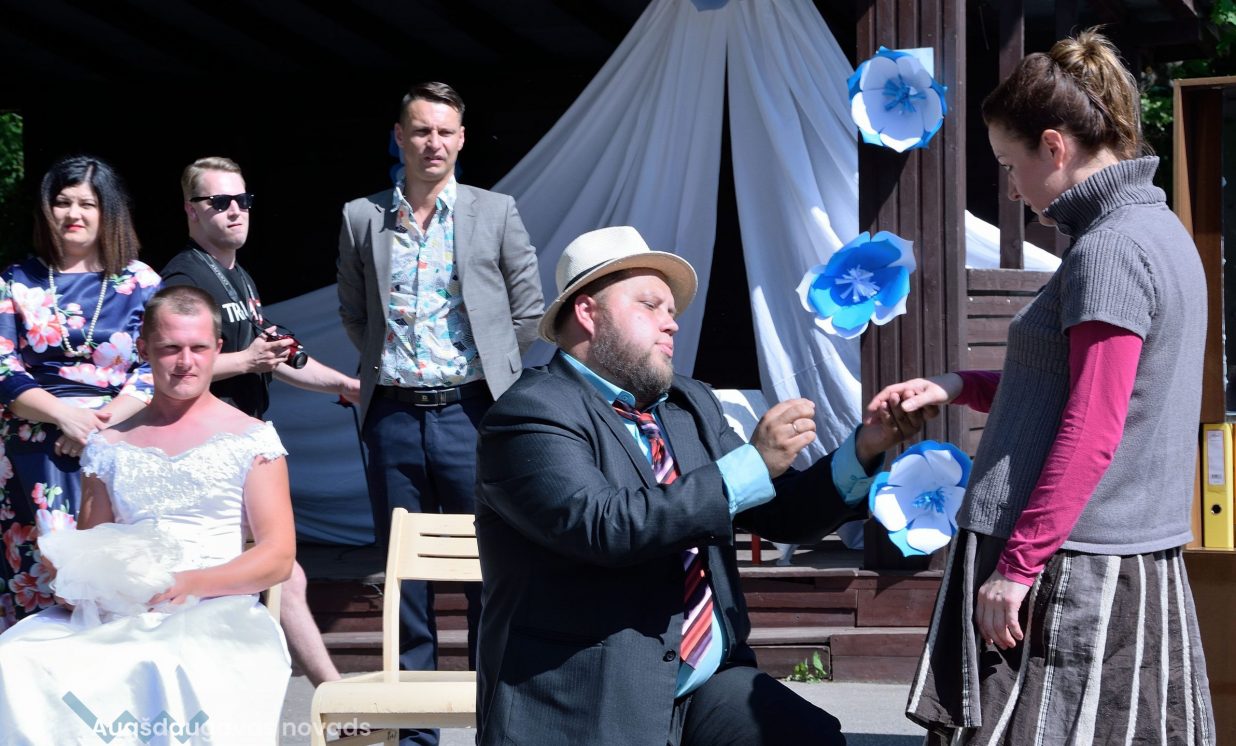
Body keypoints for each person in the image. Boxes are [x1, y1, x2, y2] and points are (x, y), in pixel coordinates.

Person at [869, 30, 1215, 744]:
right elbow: (1081, 386)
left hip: (1077, 564)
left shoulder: (1110, 250)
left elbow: (1094, 425)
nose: (1011, 188)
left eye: (1009, 164)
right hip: (1115, 555)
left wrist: (1018, 566)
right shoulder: (1155, 229)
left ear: (1054, 147)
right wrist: (958, 385)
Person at [473, 226, 930, 746]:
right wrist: (752, 463)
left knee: (808, 739)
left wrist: (865, 447)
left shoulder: (689, 405)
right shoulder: (529, 413)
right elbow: (604, 528)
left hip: (703, 683)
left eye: (672, 311)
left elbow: (782, 513)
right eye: (650, 306)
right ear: (588, 313)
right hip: (586, 695)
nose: (671, 323)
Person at [336, 80, 543, 737]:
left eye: (445, 131)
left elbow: (529, 310)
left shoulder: (495, 211)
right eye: (422, 130)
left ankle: (494, 725)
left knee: (487, 570)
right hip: (393, 415)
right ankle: (416, 733)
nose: (434, 143)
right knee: (405, 577)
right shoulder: (362, 217)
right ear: (399, 137)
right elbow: (354, 314)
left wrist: (491, 371)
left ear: (461, 138)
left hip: (473, 412)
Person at [0, 285, 295, 743]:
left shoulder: (251, 438)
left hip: (213, 605)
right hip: (123, 608)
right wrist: (80, 581)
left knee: (164, 661)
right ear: (143, 351)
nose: (185, 362)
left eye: (199, 348)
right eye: (170, 348)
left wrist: (185, 584)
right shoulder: (109, 445)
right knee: (15, 656)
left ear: (218, 349)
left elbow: (277, 556)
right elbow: (93, 544)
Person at [160, 156, 359, 687]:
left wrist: (346, 385)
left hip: (238, 448)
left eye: (243, 201)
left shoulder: (237, 277)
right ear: (191, 211)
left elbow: (277, 357)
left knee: (277, 575)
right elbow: (172, 367)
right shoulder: (185, 278)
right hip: (204, 453)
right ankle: (335, 702)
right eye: (219, 202)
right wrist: (247, 361)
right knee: (277, 574)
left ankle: (323, 700)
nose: (235, 211)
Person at [0, 156, 160, 630]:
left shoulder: (141, 282)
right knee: (38, 580)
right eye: (62, 202)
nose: (74, 213)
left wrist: (97, 425)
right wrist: (63, 416)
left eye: (87, 204)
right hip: (33, 448)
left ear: (108, 211)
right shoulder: (16, 280)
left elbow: (154, 370)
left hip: (116, 442)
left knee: (112, 582)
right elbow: (3, 365)